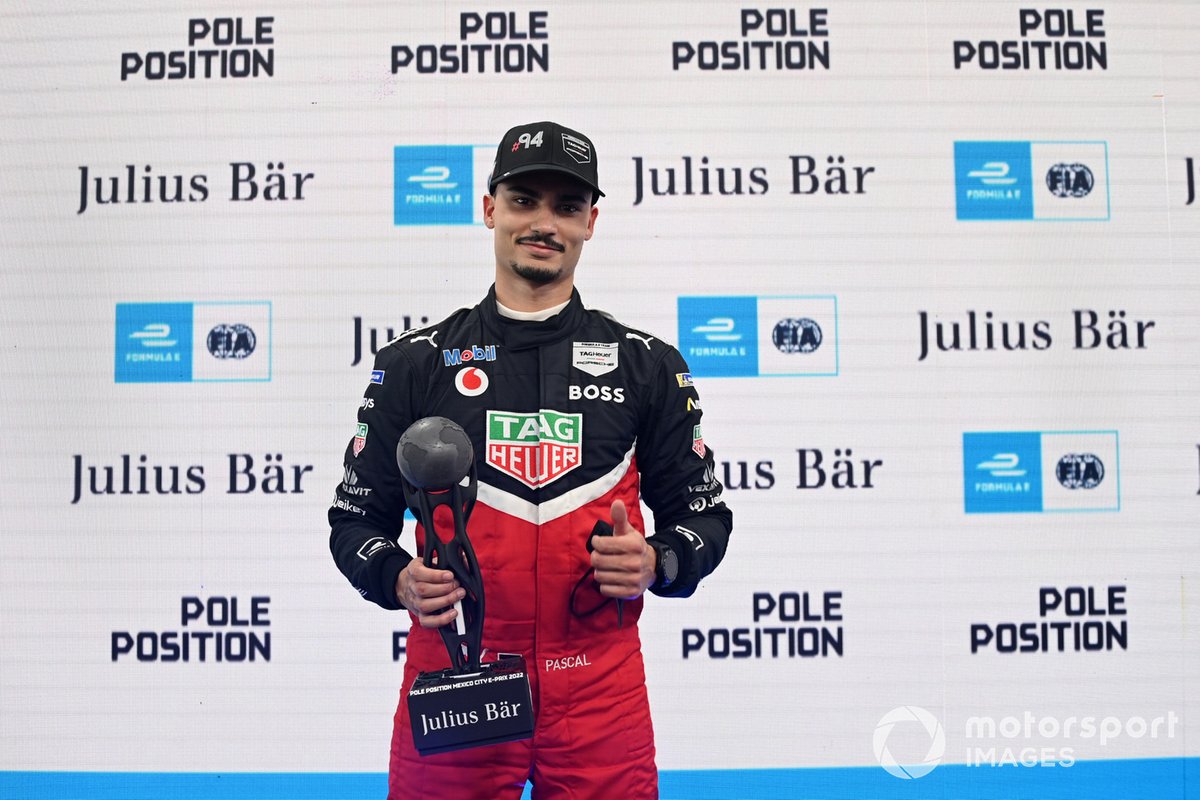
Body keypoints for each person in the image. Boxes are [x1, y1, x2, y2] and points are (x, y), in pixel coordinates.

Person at [329, 121, 732, 800]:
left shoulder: (647, 366)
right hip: (456, 679)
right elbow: (354, 522)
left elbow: (704, 516)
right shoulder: (414, 364)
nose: (544, 222)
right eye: (524, 200)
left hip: (600, 692)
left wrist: (657, 560)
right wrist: (398, 578)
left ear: (590, 223)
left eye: (567, 207)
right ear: (489, 209)